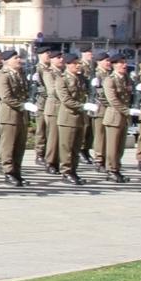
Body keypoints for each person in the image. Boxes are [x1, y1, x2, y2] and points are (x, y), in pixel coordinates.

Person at [0, 49, 30, 187]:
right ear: (7, 61)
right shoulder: (1, 75)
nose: (19, 60)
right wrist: (23, 105)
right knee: (8, 146)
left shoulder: (20, 74)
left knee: (20, 146)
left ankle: (17, 171)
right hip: (9, 115)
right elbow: (6, 96)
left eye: (19, 57)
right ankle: (8, 172)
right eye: (16, 58)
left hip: (21, 115)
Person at [56, 52, 90, 185]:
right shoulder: (62, 79)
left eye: (79, 63)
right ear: (68, 64)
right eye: (75, 63)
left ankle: (73, 171)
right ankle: (66, 172)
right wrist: (82, 106)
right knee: (67, 147)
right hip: (68, 118)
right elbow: (66, 99)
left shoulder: (80, 78)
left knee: (76, 147)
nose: (78, 65)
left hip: (79, 117)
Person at [101, 55, 132, 183]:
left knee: (120, 147)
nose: (124, 65)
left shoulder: (126, 79)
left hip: (123, 117)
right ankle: (111, 170)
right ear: (114, 65)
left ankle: (117, 168)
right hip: (114, 117)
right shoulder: (110, 80)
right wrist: (128, 111)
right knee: (112, 147)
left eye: (125, 62)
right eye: (121, 63)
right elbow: (113, 100)